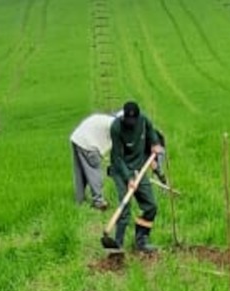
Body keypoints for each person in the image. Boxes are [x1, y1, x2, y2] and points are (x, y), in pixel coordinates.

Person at [106, 100, 166, 253]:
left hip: (139, 168)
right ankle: (117, 245)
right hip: (120, 169)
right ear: (123, 117)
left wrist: (154, 143)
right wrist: (128, 179)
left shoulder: (143, 120)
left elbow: (151, 131)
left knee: (151, 206)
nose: (131, 123)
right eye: (128, 120)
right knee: (125, 207)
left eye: (134, 120)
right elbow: (118, 158)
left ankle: (141, 241)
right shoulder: (116, 128)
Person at [69, 110, 115, 210]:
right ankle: (99, 202)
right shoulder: (115, 127)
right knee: (94, 171)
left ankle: (79, 199)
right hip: (88, 143)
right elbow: (116, 150)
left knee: (80, 171)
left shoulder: (108, 120)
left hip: (77, 138)